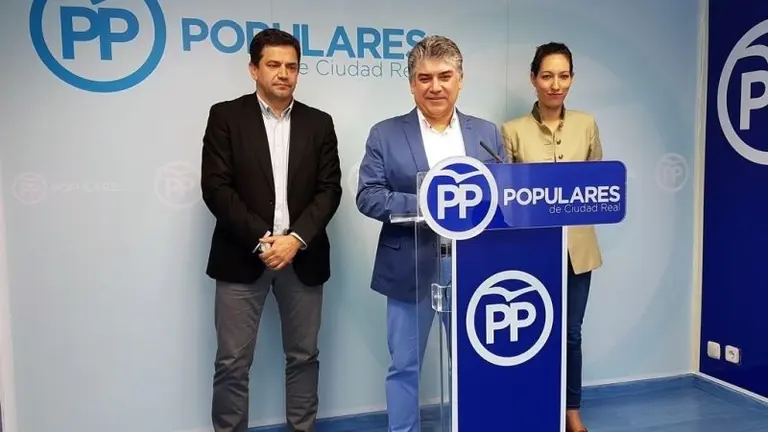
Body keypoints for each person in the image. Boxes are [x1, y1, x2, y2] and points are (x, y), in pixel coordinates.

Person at [356, 35, 506, 432]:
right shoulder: (385, 133)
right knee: (404, 365)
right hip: (409, 264)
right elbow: (369, 196)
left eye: (444, 76)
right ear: (411, 84)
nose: (435, 86)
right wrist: (431, 203)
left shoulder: (487, 133)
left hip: (474, 266)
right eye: (424, 78)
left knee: (473, 362)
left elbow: (503, 195)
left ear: (460, 79)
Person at [200, 28, 342, 432]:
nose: (284, 74)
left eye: (291, 66)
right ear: (253, 69)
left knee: (304, 357)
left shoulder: (319, 123)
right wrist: (262, 241)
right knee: (231, 362)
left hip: (303, 257)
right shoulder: (226, 117)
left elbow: (330, 189)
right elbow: (216, 187)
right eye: (274, 65)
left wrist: (294, 240)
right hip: (242, 256)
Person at [500, 42, 603, 432]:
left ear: (572, 79)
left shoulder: (587, 124)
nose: (555, 85)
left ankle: (571, 409)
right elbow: (506, 197)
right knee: (532, 331)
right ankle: (532, 403)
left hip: (578, 250)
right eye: (547, 76)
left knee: (571, 333)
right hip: (530, 251)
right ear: (533, 79)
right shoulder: (511, 130)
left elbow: (597, 185)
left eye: (563, 76)